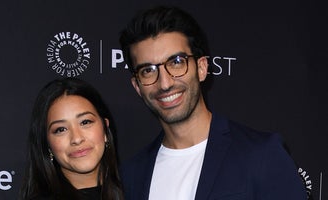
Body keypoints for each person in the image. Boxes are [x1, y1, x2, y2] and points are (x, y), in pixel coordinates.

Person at [118, 5, 307, 200]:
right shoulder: (132, 175)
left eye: (176, 62)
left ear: (201, 68)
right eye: (148, 70)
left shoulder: (262, 155)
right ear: (137, 86)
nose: (165, 83)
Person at [19, 77, 123, 200]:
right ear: (47, 144)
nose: (77, 138)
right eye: (61, 129)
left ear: (105, 128)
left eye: (85, 122)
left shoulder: (139, 190)